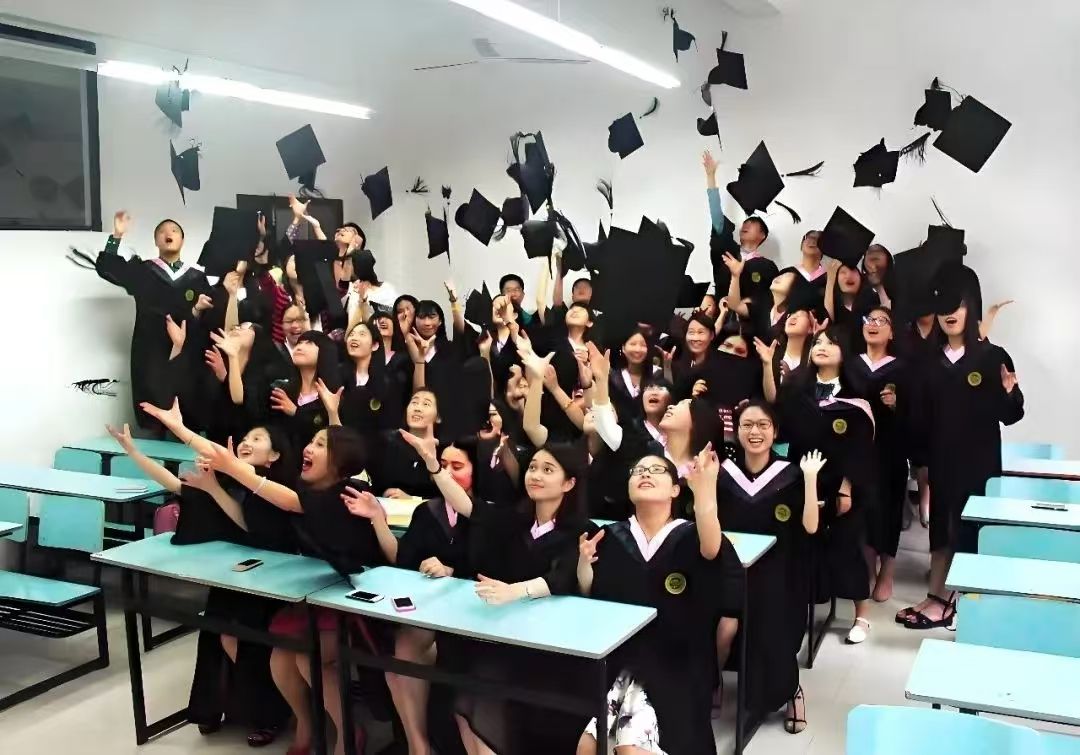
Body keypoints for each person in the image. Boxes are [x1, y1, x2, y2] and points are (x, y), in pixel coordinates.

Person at [203, 425, 393, 755]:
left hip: (358, 599)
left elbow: (291, 503)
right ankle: (307, 723)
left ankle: (349, 733)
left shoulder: (347, 493)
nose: (308, 448)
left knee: (309, 658)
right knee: (280, 657)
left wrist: (232, 466)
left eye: (320, 444)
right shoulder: (308, 488)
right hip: (320, 592)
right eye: (311, 441)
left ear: (339, 461)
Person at [127, 408, 300, 746]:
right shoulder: (231, 481)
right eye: (246, 438)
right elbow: (178, 487)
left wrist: (181, 430)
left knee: (241, 638)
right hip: (234, 575)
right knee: (215, 632)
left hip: (272, 582)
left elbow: (253, 527)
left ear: (275, 455)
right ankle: (222, 707)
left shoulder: (278, 487)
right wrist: (134, 452)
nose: (247, 443)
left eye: (257, 439)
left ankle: (266, 713)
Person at [575, 446, 727, 755]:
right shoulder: (610, 536)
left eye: (656, 470)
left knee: (631, 749)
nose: (645, 473)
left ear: (675, 489)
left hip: (674, 665)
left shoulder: (690, 535)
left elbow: (712, 548)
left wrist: (705, 490)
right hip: (621, 661)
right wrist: (583, 565)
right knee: (587, 746)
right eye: (638, 471)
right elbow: (593, 596)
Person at [446, 444, 595, 754]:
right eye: (533, 467)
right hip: (507, 633)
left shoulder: (583, 531)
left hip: (553, 646)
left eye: (547, 470)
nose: (535, 475)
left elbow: (560, 578)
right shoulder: (514, 520)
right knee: (466, 697)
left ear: (569, 483)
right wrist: (433, 466)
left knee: (484, 696)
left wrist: (514, 591)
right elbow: (469, 507)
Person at [896, 275, 1023, 630]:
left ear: (971, 309)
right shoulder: (928, 360)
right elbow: (919, 417)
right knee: (941, 528)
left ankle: (956, 602)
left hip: (979, 461)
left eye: (957, 306)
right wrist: (919, 462)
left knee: (968, 529)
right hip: (941, 460)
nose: (949, 314)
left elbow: (1012, 415)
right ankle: (937, 594)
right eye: (943, 307)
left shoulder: (992, 357)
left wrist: (1009, 394)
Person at [716, 401, 825, 733]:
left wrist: (810, 480)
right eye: (747, 425)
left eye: (763, 425)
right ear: (736, 431)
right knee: (721, 624)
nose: (755, 432)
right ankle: (714, 683)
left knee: (774, 626)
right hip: (732, 570)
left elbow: (810, 527)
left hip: (780, 570)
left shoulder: (791, 474)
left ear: (775, 432)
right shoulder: (722, 474)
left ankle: (791, 690)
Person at [777, 327, 876, 645]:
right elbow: (783, 434)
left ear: (844, 353)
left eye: (831, 343)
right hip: (802, 479)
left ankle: (862, 615)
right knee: (803, 546)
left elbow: (860, 448)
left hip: (841, 483)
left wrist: (846, 487)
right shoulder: (798, 392)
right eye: (817, 342)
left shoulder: (855, 398)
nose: (821, 347)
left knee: (847, 546)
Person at [388, 432, 480, 755]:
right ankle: (418, 745)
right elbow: (404, 561)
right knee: (400, 655)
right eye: (443, 465)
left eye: (458, 466)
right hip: (429, 607)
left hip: (475, 612)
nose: (448, 473)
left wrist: (453, 571)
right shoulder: (427, 511)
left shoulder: (488, 515)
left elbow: (494, 568)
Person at [95, 210, 214, 433]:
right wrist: (116, 236)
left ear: (182, 240)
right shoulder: (144, 271)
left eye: (174, 230)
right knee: (154, 416)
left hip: (187, 355)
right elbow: (108, 268)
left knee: (187, 415)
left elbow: (208, 320)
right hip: (152, 352)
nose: (168, 233)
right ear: (156, 241)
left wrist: (197, 311)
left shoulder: (197, 278)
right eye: (162, 231)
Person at [845, 307, 910, 602]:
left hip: (890, 451)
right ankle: (868, 569)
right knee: (864, 511)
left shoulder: (903, 369)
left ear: (892, 332)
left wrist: (897, 405)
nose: (873, 324)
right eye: (869, 320)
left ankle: (887, 573)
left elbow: (916, 414)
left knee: (890, 511)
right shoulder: (849, 365)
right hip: (859, 451)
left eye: (881, 321)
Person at [375, 388, 443, 500]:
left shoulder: (443, 451)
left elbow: (445, 497)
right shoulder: (386, 442)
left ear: (438, 417)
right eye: (414, 402)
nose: (417, 408)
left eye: (426, 404)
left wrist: (412, 499)